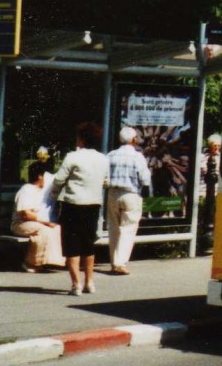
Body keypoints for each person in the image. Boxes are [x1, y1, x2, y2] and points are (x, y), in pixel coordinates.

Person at [51, 121, 109, 296]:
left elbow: (59, 180)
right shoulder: (103, 159)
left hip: (72, 204)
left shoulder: (72, 157)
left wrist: (54, 193)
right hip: (93, 204)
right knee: (88, 244)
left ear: (82, 139)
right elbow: (106, 182)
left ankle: (76, 284)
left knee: (71, 244)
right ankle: (89, 282)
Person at [107, 126, 151, 275]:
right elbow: (145, 179)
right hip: (131, 194)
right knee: (128, 228)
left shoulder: (111, 155)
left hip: (113, 193)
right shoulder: (137, 156)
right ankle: (120, 262)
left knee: (113, 228)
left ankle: (114, 262)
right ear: (134, 140)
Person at [12, 162, 63, 271]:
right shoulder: (26, 189)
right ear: (40, 176)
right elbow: (25, 214)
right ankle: (31, 263)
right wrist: (45, 222)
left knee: (56, 228)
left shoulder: (42, 191)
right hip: (20, 224)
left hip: (35, 222)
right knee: (43, 229)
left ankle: (49, 261)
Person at [199, 134, 222, 236]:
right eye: (214, 146)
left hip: (216, 189)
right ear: (210, 146)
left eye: (218, 146)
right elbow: (203, 169)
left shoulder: (221, 158)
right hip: (203, 188)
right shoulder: (203, 157)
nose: (216, 148)